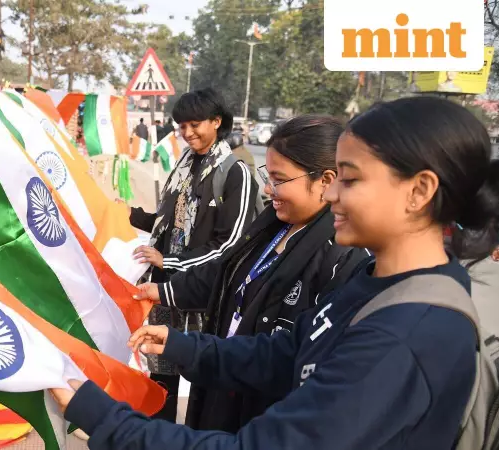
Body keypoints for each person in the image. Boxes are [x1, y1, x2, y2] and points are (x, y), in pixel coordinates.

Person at [50, 96, 499, 449]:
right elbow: (288, 353)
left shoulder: (406, 333)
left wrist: (106, 418)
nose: (334, 195)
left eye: (350, 179)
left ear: (418, 190)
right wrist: (189, 347)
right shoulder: (380, 286)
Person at [138, 115, 369, 433]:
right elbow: (226, 277)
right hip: (223, 383)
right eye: (268, 175)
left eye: (279, 179)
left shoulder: (343, 257)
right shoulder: (272, 226)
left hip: (265, 415)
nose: (269, 188)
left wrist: (190, 349)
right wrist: (162, 292)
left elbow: (293, 357)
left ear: (326, 181)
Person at [128, 88, 259, 421]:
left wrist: (169, 261)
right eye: (181, 126)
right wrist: (127, 215)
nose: (187, 133)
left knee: (203, 380)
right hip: (166, 295)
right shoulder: (185, 166)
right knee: (162, 382)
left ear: (217, 121)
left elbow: (230, 244)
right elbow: (166, 223)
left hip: (203, 297)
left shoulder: (235, 173)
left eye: (195, 124)